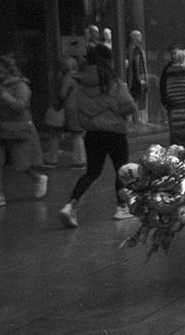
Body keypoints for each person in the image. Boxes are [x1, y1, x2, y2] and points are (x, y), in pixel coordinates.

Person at [58, 45, 137, 228]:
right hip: (115, 133)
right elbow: (130, 105)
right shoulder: (114, 83)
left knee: (92, 172)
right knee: (122, 170)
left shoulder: (81, 83)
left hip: (92, 134)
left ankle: (71, 205)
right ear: (108, 61)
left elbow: (80, 110)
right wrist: (115, 109)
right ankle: (122, 207)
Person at [0, 54, 49, 209]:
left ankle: (39, 178)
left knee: (22, 163)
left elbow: (20, 105)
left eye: (0, 68)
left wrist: (3, 94)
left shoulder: (20, 85)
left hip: (16, 129)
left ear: (8, 69)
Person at [127, 30, 149, 125]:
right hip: (133, 79)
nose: (141, 38)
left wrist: (144, 78)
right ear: (134, 37)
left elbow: (142, 66)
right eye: (138, 36)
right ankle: (130, 118)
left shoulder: (140, 50)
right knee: (132, 97)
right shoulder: (130, 50)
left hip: (141, 78)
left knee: (142, 97)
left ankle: (142, 118)